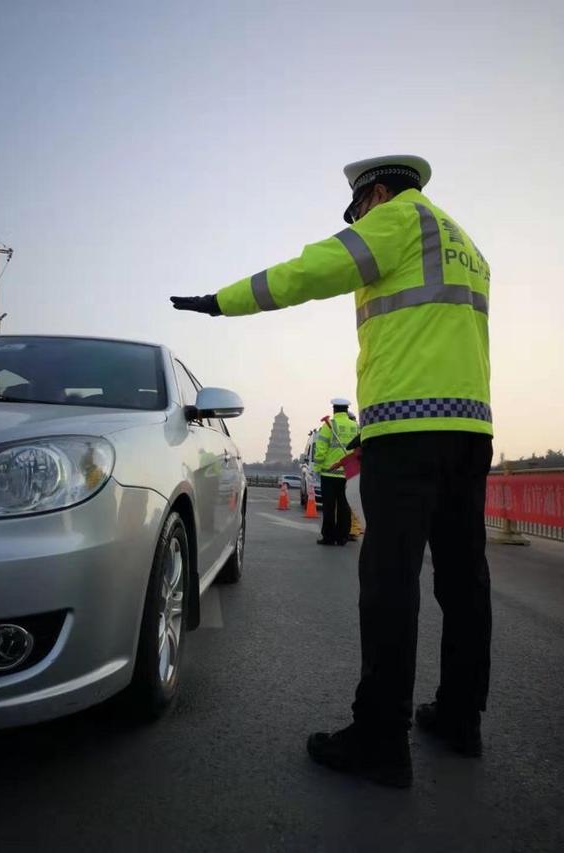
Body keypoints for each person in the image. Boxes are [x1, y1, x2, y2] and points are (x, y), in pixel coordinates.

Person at [171, 154, 492, 789]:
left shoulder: (399, 219)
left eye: (356, 211)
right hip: (471, 429)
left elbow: (308, 270)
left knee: (389, 579)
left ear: (374, 192)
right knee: (463, 580)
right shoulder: (464, 243)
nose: (357, 221)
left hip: (406, 427)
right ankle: (461, 718)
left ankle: (379, 737)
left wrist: (220, 303)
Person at [313, 398, 358, 546]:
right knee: (345, 506)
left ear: (334, 410)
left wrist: (317, 469)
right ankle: (343, 537)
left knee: (329, 507)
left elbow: (321, 449)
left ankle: (329, 537)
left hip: (329, 473)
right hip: (348, 473)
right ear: (346, 410)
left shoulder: (329, 425)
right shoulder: (355, 426)